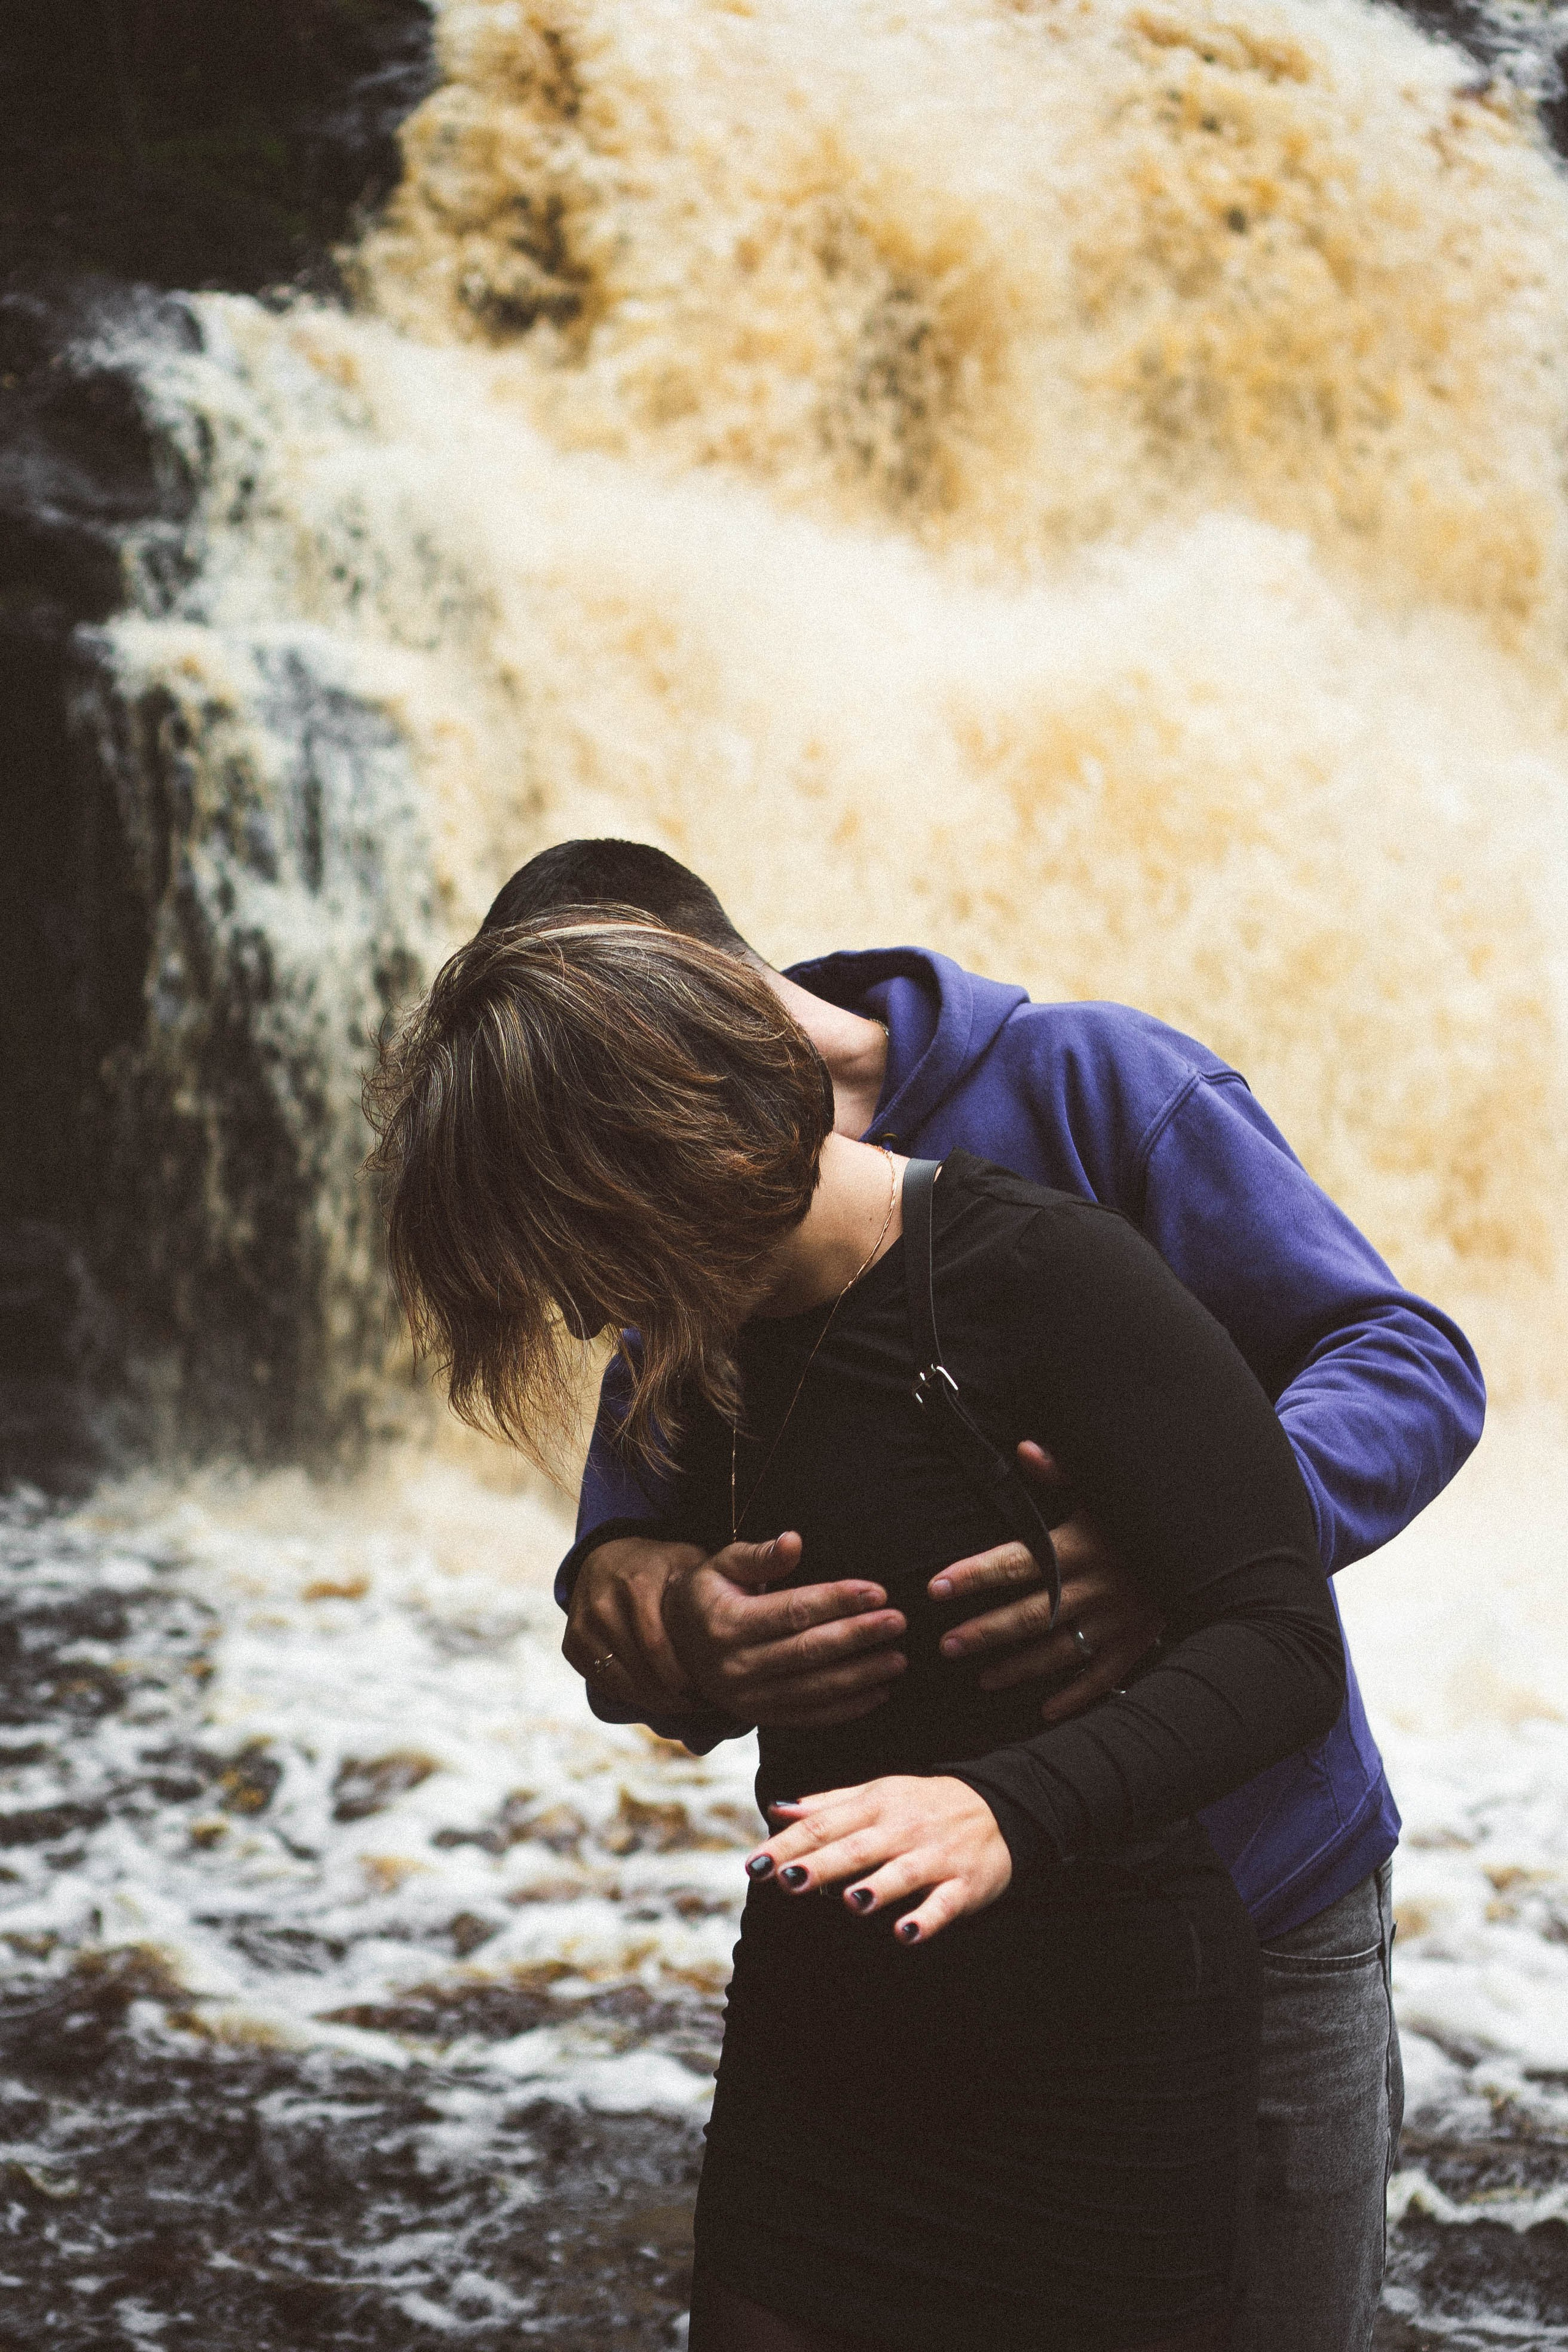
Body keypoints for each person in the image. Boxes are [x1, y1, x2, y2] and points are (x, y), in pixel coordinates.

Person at [483, 840, 1486, 2352]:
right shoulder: (681, 1193)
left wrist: (1177, 1533)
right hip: (909, 1944)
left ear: (690, 1003)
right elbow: (626, 1571)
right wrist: (677, 1619)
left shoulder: (1092, 1085)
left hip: (1245, 1885)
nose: (588, 1311)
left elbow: (1404, 1359)